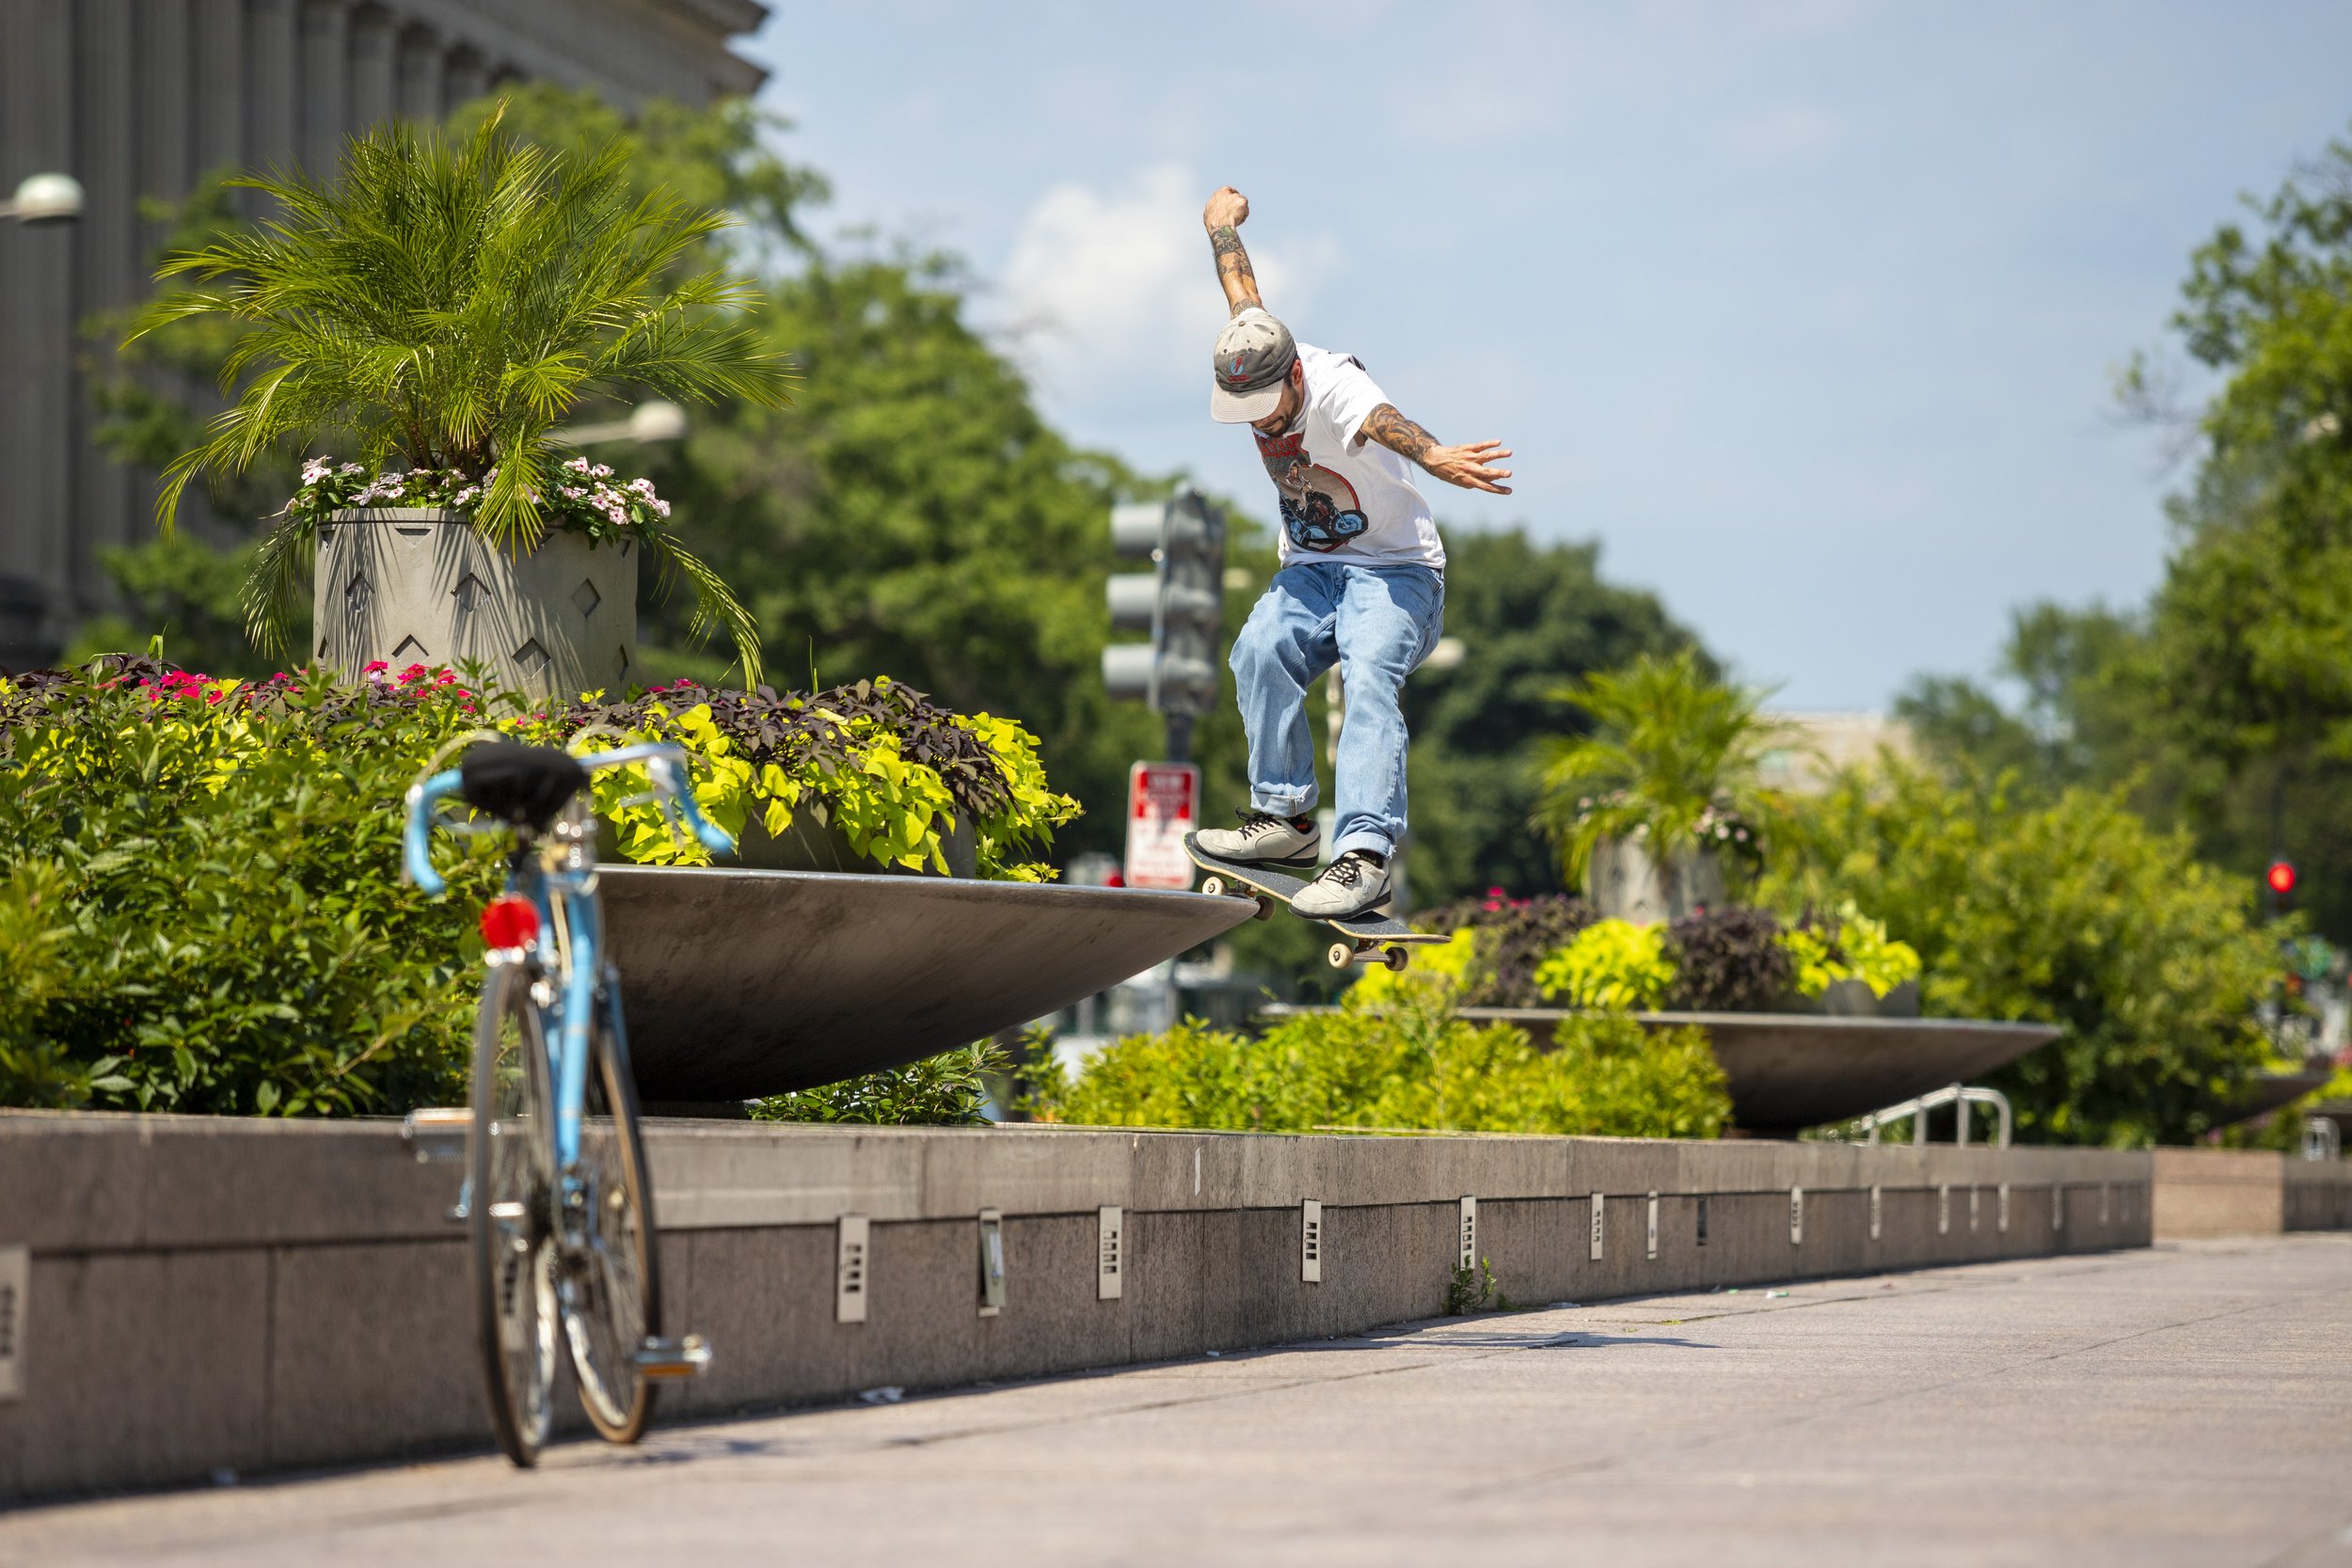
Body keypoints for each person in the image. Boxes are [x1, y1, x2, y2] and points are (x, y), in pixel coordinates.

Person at [1192, 185, 1514, 919]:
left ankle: (1365, 854)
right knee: (1258, 648)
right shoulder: (1255, 348)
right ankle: (1286, 820)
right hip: (1312, 570)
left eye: (1269, 408)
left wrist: (1434, 455)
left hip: (1398, 572)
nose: (1261, 423)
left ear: (1294, 377)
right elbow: (1241, 289)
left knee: (1367, 671)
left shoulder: (1334, 383)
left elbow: (1384, 418)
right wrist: (1220, 228)